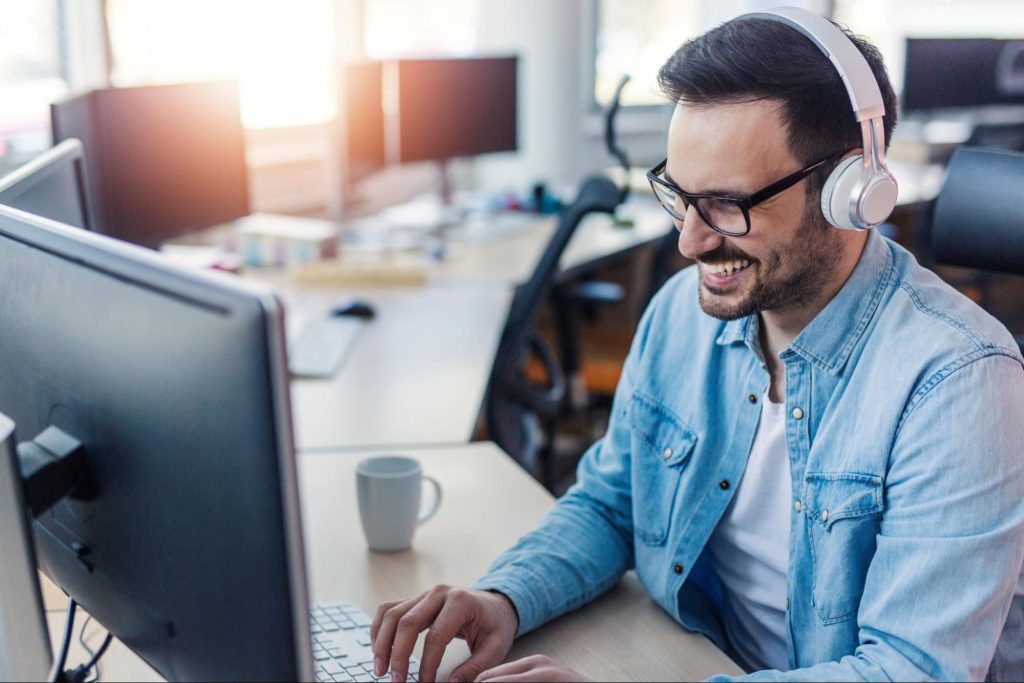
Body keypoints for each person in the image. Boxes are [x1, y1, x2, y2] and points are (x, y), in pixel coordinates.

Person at [370, 9, 1024, 682]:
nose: (689, 241)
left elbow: (912, 671)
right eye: (679, 196)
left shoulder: (961, 384)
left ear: (849, 192)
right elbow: (611, 502)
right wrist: (504, 596)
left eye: (726, 204)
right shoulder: (682, 316)